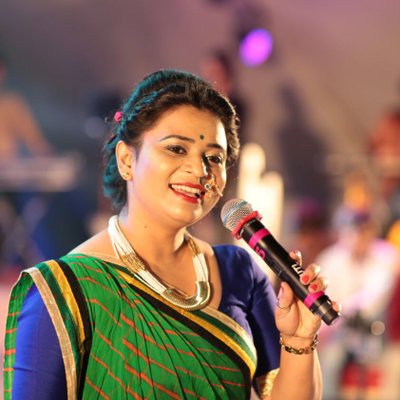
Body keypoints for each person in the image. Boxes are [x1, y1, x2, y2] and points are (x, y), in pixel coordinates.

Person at [4, 69, 336, 399]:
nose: (200, 170)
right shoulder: (64, 291)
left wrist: (299, 340)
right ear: (126, 159)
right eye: (177, 149)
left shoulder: (239, 273)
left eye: (214, 158)